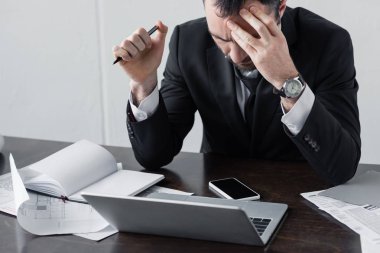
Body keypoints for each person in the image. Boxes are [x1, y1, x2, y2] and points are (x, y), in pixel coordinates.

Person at [113, 0, 361, 185]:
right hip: (218, 199)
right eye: (221, 39)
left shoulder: (328, 42)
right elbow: (154, 156)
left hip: (303, 203)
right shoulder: (186, 42)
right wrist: (143, 83)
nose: (236, 55)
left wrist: (288, 81)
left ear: (281, 8)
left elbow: (341, 167)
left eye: (249, 36)